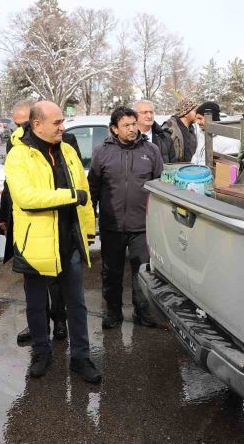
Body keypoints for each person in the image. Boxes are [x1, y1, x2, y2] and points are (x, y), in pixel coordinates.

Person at [5, 101, 101, 383]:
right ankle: (41, 352)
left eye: (62, 121)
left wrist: (88, 230)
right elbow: (26, 198)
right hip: (35, 245)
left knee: (77, 304)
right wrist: (70, 196)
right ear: (37, 124)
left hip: (68, 240)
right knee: (36, 305)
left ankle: (81, 358)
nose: (63, 127)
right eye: (57, 122)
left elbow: (84, 194)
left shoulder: (68, 150)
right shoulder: (19, 156)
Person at [0, 99, 80, 345]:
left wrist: (85, 230)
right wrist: (5, 217)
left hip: (63, 233)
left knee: (65, 293)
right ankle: (40, 341)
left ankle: (60, 323)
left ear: (34, 122)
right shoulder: (17, 150)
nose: (20, 128)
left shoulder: (66, 146)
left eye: (23, 122)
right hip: (32, 235)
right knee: (35, 297)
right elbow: (17, 191)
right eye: (17, 123)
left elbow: (80, 187)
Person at [89, 106, 163, 329]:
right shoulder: (102, 152)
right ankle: (113, 312)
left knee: (142, 271)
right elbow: (93, 186)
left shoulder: (151, 151)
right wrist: (89, 215)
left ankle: (143, 312)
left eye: (134, 124)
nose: (132, 129)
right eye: (126, 125)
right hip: (112, 225)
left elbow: (160, 186)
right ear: (114, 129)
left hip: (142, 225)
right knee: (111, 272)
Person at [190, 101, 242, 166]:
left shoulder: (227, 139)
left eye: (200, 118)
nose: (197, 122)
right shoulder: (202, 133)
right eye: (196, 119)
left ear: (211, 118)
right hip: (198, 172)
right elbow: (197, 156)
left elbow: (230, 166)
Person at [162, 98, 198, 163]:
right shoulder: (169, 128)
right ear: (186, 113)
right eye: (195, 110)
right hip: (174, 170)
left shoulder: (191, 129)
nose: (197, 113)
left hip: (190, 169)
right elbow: (164, 156)